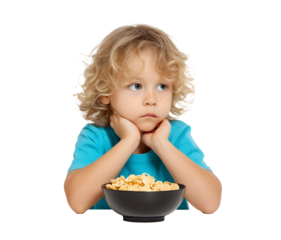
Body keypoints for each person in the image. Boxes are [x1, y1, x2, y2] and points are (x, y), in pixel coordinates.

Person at [63, 22, 223, 215]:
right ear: (106, 90)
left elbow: (211, 204)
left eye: (162, 86)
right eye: (136, 86)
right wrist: (128, 141)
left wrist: (160, 144)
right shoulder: (96, 136)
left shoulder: (177, 134)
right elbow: (77, 203)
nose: (152, 100)